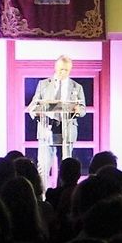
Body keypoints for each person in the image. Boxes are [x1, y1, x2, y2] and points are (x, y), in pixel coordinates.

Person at [27, 56, 85, 187]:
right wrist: (35, 111)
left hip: (66, 128)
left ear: (70, 70)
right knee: (43, 165)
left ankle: (64, 193)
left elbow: (83, 109)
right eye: (60, 69)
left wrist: (77, 108)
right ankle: (42, 196)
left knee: (66, 166)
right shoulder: (44, 84)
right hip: (48, 126)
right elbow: (33, 105)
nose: (62, 72)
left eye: (66, 70)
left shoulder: (77, 87)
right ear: (55, 68)